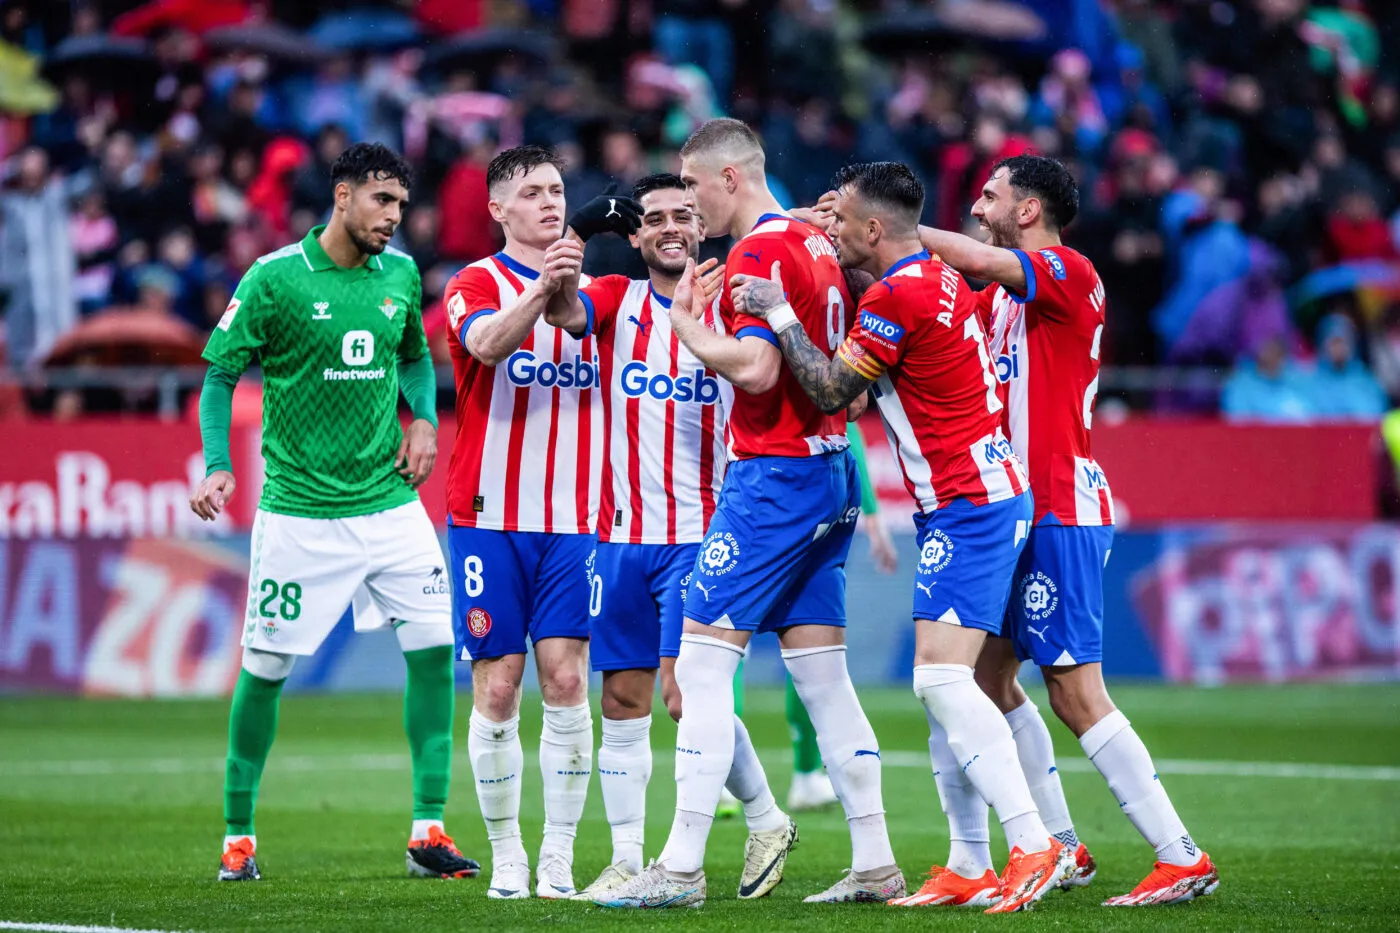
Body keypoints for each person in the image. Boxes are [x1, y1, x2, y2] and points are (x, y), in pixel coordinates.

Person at [750, 161, 1071, 913]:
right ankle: (968, 860)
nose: (831, 231)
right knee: (952, 686)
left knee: (939, 679)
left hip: (970, 502)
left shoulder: (896, 293)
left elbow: (835, 389)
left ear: (872, 230)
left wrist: (780, 313)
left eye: (843, 220)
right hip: (970, 496)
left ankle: (1034, 841)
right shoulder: (934, 278)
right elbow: (874, 348)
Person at [599, 118, 902, 910]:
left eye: (694, 188)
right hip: (831, 469)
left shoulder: (760, 252)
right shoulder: (814, 244)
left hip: (773, 478)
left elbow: (761, 370)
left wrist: (690, 329)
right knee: (825, 680)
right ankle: (875, 859)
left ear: (728, 179)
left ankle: (680, 866)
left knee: (699, 668)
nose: (690, 206)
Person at [914, 154, 1220, 907]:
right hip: (1005, 510)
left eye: (990, 196)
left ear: (1028, 211)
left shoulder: (1071, 273)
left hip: (1059, 506)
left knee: (1076, 691)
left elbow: (975, 256)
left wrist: (891, 229)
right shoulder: (993, 305)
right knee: (980, 681)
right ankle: (1058, 843)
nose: (978, 206)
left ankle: (1179, 853)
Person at [189, 143, 477, 884]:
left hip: (390, 506)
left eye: (403, 206)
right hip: (300, 514)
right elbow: (220, 376)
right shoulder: (276, 279)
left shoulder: (402, 275)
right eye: (382, 201)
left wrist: (421, 418)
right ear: (342, 196)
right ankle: (238, 834)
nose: (394, 218)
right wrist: (219, 464)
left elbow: (414, 353)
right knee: (266, 667)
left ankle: (428, 828)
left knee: (435, 650)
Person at [542, 172, 793, 901]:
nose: (672, 227)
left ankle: (765, 819)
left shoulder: (729, 298)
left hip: (703, 534)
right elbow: (559, 308)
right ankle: (628, 855)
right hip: (619, 537)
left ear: (704, 224)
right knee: (622, 698)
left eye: (686, 214)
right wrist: (580, 233)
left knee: (684, 695)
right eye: (655, 218)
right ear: (638, 234)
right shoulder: (616, 301)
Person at [441, 145, 635, 900]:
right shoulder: (473, 283)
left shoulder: (598, 295)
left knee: (564, 677)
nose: (550, 202)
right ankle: (507, 853)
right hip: (489, 516)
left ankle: (555, 854)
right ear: (498, 209)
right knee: (497, 689)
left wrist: (566, 281)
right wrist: (542, 287)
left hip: (575, 520)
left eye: (557, 190)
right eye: (531, 193)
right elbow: (485, 344)